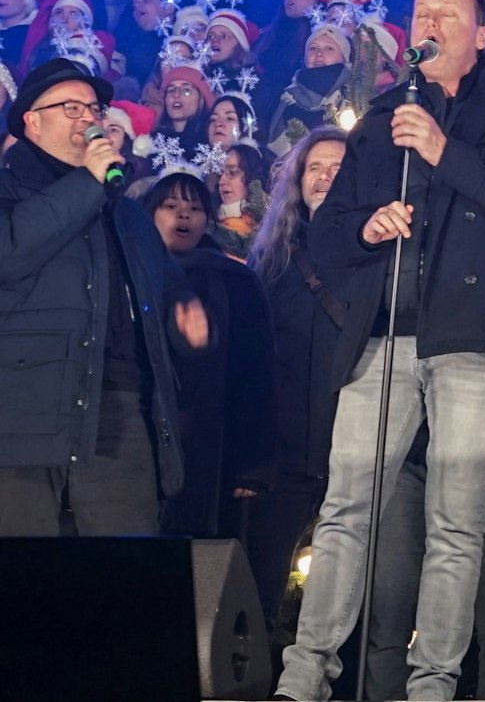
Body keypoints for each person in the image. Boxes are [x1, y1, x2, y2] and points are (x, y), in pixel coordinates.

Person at [276, 0, 485, 702]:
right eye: (421, 12)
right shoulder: (380, 116)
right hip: (383, 336)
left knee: (456, 520)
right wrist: (368, 228)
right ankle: (305, 676)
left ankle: (432, 683)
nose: (430, 23)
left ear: (478, 34)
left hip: (473, 337)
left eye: (447, 13)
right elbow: (328, 233)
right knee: (346, 508)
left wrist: (443, 150)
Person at [0, 58, 210, 535]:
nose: (87, 118)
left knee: (123, 569)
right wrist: (87, 182)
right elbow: (9, 253)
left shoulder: (126, 210)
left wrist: (183, 311)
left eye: (93, 108)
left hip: (117, 401)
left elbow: (164, 280)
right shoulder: (9, 190)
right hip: (21, 406)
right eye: (69, 106)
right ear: (32, 120)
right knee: (21, 573)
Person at [244, 127, 351, 620]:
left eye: (337, 168)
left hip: (352, 449)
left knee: (345, 597)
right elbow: (252, 359)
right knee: (260, 589)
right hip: (282, 452)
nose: (325, 177)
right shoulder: (271, 258)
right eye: (315, 167)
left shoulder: (375, 256)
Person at [149, 170, 278, 539]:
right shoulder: (131, 273)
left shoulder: (236, 281)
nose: (183, 215)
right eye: (171, 206)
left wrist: (252, 464)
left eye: (193, 207)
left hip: (211, 450)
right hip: (137, 449)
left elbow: (257, 375)